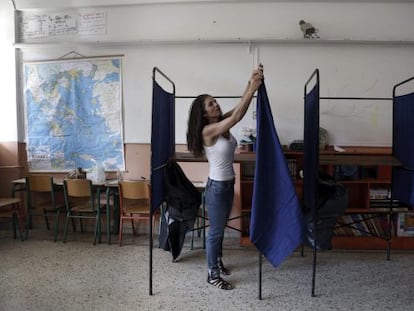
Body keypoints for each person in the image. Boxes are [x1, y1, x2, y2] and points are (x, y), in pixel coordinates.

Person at [186, 64, 264, 290]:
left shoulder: (221, 125)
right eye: (211, 104)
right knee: (216, 231)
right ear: (203, 113)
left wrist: (251, 83)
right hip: (217, 188)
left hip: (228, 185)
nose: (216, 104)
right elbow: (238, 114)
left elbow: (241, 108)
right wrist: (254, 87)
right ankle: (212, 273)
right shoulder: (207, 132)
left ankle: (217, 262)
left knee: (219, 229)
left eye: (215, 101)